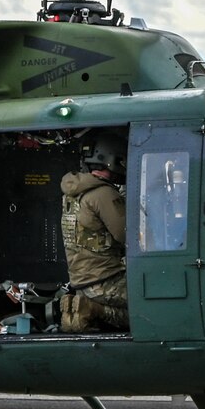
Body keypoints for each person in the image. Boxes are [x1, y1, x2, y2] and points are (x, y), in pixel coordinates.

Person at [60, 132, 129, 332]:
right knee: (158, 302)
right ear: (112, 159)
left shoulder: (73, 195)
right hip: (108, 280)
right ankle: (91, 310)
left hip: (82, 281)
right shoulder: (104, 194)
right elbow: (127, 235)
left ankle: (84, 307)